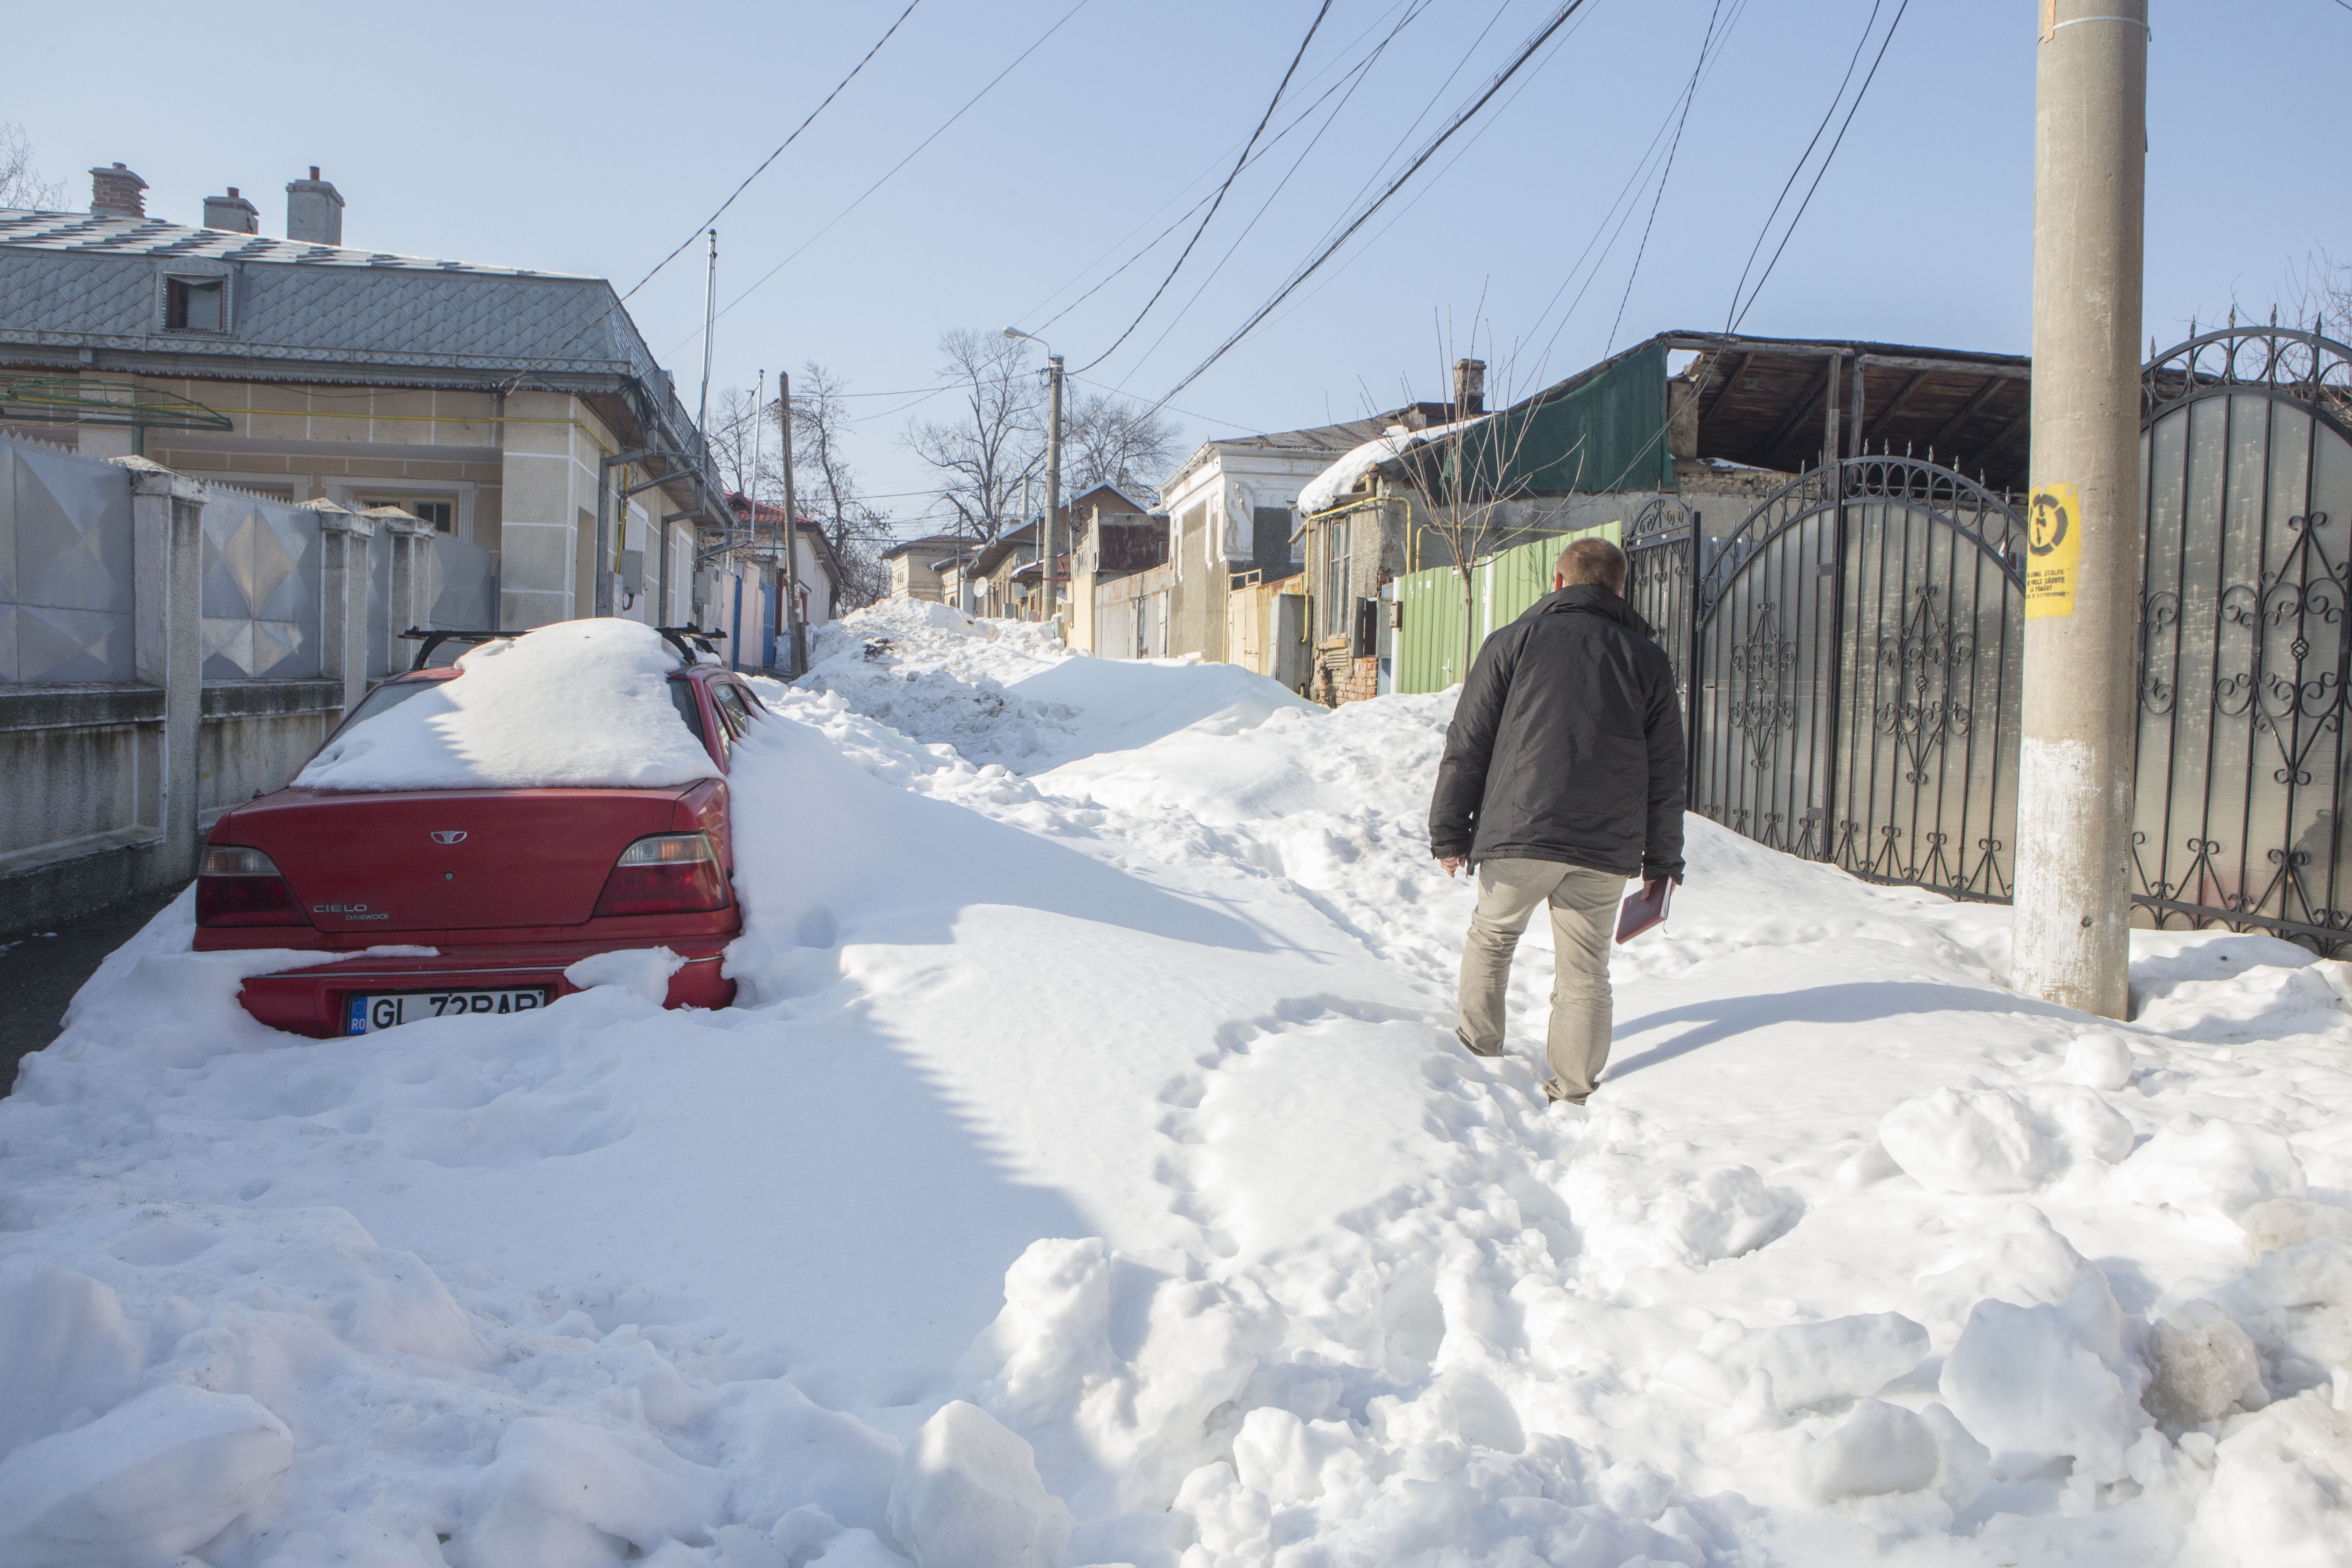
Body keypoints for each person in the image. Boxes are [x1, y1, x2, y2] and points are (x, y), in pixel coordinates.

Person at [1427, 536, 1686, 1105]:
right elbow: (1668, 769)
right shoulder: (1647, 659)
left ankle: (1479, 1051)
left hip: (1520, 832)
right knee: (1587, 970)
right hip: (1605, 845)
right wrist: (1662, 862)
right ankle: (1572, 1088)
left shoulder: (1513, 641)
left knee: (1493, 938)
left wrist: (1449, 833)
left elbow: (1467, 743)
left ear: (1558, 583)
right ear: (1620, 591)